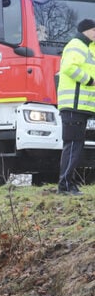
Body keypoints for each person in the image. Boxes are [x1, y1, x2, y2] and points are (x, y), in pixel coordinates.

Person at [57, 19, 95, 195]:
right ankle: (65, 185)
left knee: (75, 145)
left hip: (80, 106)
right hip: (73, 105)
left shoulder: (88, 48)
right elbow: (69, 67)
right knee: (72, 145)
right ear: (87, 30)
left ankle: (68, 183)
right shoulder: (76, 45)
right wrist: (89, 80)